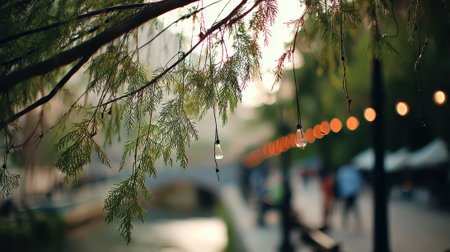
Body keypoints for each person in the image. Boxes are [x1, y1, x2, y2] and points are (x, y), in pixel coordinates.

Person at [336, 163, 362, 228]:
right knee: (353, 208)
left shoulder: (343, 171)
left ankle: (345, 222)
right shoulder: (354, 171)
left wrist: (340, 193)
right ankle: (356, 221)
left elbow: (340, 183)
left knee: (347, 208)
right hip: (352, 193)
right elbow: (358, 182)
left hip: (347, 193)